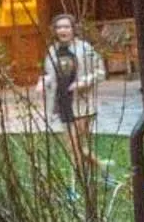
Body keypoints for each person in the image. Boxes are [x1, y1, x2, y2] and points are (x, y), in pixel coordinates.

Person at [40, 14, 105, 159]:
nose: (62, 30)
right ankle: (100, 171)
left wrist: (83, 82)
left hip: (81, 104)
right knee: (74, 148)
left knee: (75, 146)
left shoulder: (85, 48)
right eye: (58, 27)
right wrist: (43, 81)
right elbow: (50, 73)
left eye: (66, 27)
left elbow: (100, 72)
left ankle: (80, 178)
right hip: (63, 102)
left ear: (73, 29)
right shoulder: (52, 50)